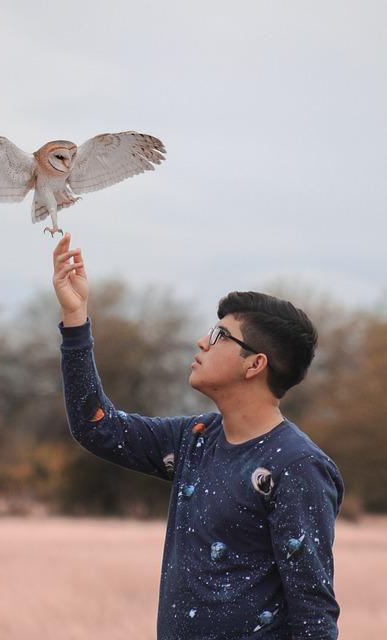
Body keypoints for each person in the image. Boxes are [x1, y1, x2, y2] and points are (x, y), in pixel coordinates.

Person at [52, 232, 344, 640]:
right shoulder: (196, 438)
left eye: (221, 335)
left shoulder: (297, 466)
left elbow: (313, 613)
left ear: (255, 364)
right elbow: (97, 426)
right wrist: (76, 317)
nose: (203, 341)